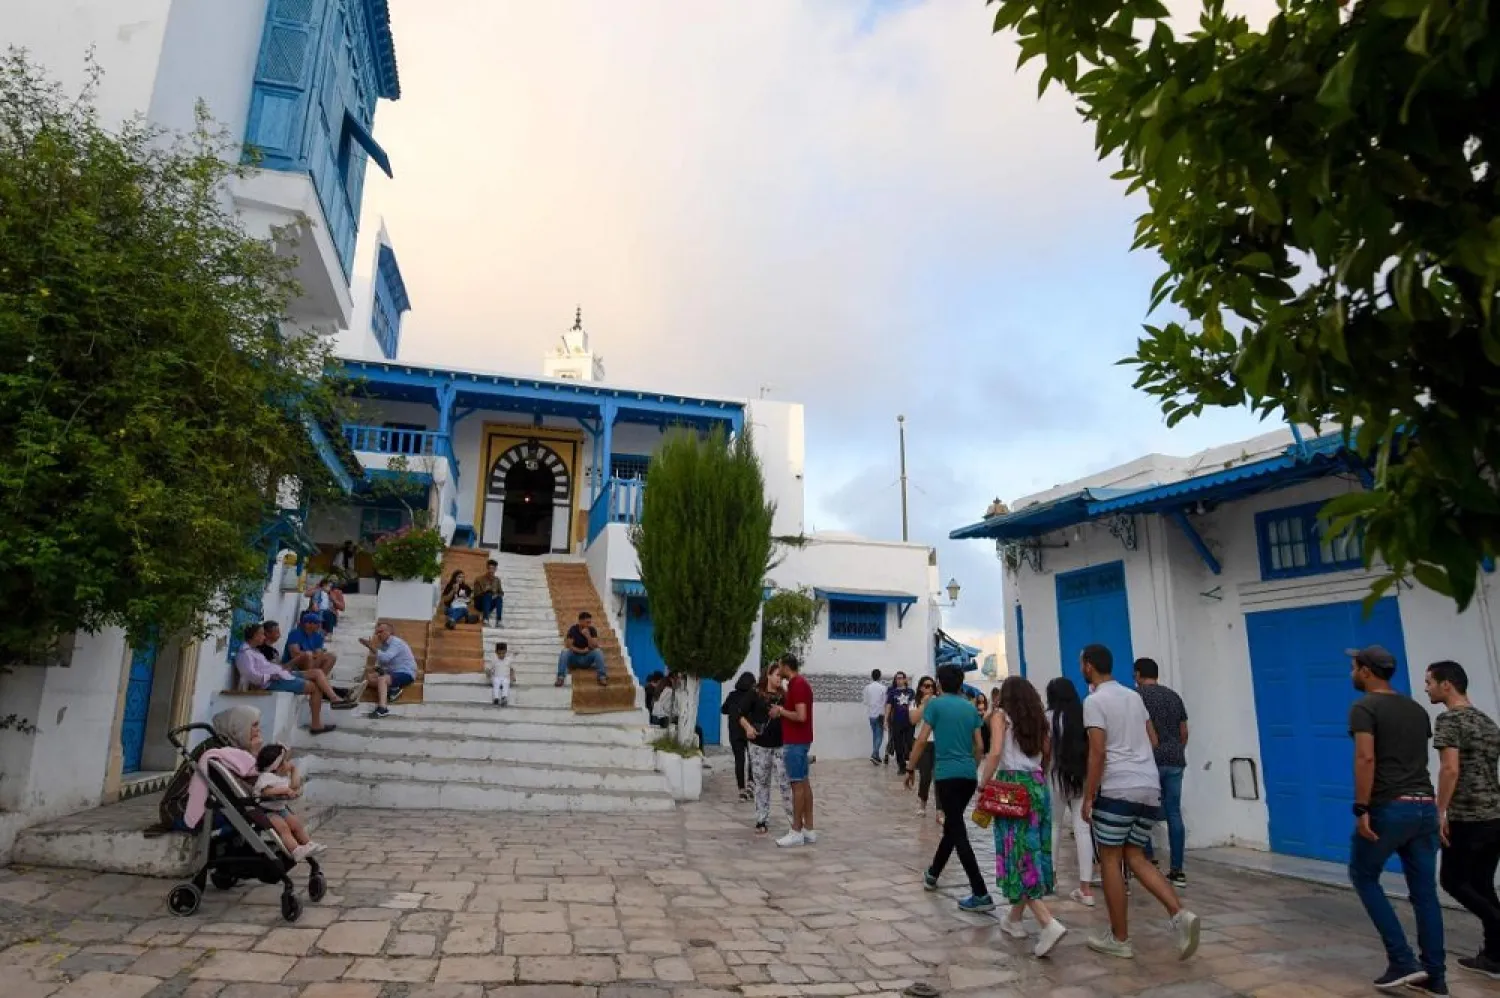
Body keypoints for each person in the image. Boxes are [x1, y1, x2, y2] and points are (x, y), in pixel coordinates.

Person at [1079, 643, 1200, 962]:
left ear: (1088, 666)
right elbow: (1154, 739)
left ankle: (1119, 938)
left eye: (1082, 663)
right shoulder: (1134, 697)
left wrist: (1089, 794)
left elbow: (1098, 751)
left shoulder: (1094, 701)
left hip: (1117, 788)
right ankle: (1179, 913)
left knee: (1109, 859)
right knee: (1136, 856)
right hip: (1148, 786)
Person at [1345, 645, 1445, 992]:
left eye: (1354, 667)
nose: (1351, 672)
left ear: (1367, 672)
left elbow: (1366, 759)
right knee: (1425, 894)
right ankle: (1436, 976)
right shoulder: (1417, 709)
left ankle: (1402, 960)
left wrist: (1361, 807)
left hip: (1390, 807)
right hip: (1424, 807)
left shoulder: (1364, 707)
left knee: (1363, 875)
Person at [983, 676, 1067, 957]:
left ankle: (1047, 922)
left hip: (1011, 787)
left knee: (1018, 853)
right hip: (1037, 785)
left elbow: (995, 752)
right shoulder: (1039, 719)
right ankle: (1014, 920)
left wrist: (984, 782)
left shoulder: (1001, 717)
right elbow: (1047, 753)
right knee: (1031, 849)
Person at [1426, 660, 1500, 981]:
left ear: (1447, 685)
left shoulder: (1448, 720)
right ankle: (1495, 957)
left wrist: (1439, 811)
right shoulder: (1487, 722)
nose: (1426, 687)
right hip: (1495, 814)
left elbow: (1450, 769)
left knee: (1453, 882)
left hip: (1468, 817)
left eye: (1429, 682)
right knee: (1482, 884)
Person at [905, 664, 993, 912]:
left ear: (941, 684)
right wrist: (972, 767)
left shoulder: (935, 705)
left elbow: (922, 739)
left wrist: (910, 768)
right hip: (967, 775)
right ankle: (933, 873)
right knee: (952, 827)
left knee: (958, 831)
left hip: (946, 776)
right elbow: (979, 747)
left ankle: (980, 892)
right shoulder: (970, 708)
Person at [1134, 657, 1190, 888]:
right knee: (1174, 812)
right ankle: (1177, 870)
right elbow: (1184, 731)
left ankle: (1148, 858)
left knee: (1142, 810)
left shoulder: (1137, 697)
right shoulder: (1174, 696)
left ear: (1138, 674)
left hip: (1150, 761)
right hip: (1175, 759)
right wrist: (1176, 750)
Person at [233, 621, 344, 734]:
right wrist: (269, 676)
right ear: (254, 636)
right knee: (314, 687)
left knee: (317, 673)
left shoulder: (254, 650)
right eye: (261, 634)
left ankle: (334, 698)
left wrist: (280, 669)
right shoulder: (245, 654)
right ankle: (316, 725)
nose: (264, 637)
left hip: (282, 674)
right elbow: (250, 675)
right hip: (271, 682)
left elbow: (265, 666)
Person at [1045, 677, 1096, 907]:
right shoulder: (1082, 715)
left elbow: (1045, 753)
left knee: (1054, 827)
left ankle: (1051, 880)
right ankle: (1085, 888)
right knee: (1083, 829)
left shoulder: (1048, 718)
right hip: (1080, 777)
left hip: (1055, 777)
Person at [182, 707, 264, 831]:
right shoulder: (218, 752)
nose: (259, 730)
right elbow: (240, 788)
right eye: (254, 725)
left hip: (211, 804)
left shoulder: (232, 747)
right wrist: (253, 753)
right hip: (182, 810)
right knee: (250, 813)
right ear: (238, 726)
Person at [741, 663, 794, 836]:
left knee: (785, 783)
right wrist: (748, 728)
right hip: (759, 745)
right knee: (761, 783)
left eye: (782, 676)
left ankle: (794, 822)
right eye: (777, 675)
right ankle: (761, 819)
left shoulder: (785, 696)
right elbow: (738, 714)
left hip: (780, 745)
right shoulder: (755, 693)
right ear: (769, 675)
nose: (780, 679)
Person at [772, 653, 816, 847]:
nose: (778, 669)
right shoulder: (800, 684)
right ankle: (809, 828)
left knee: (796, 785)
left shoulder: (797, 685)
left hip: (795, 742)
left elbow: (801, 716)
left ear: (786, 666)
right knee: (804, 783)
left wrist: (780, 711)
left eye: (779, 666)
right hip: (801, 740)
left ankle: (796, 830)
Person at [253, 743, 324, 860]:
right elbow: (266, 792)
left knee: (296, 824)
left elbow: (294, 786)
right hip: (268, 811)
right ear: (276, 766)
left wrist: (294, 769)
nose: (288, 764)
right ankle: (295, 850)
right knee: (284, 828)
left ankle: (308, 844)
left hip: (280, 809)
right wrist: (285, 790)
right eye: (285, 761)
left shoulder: (281, 777)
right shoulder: (266, 777)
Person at [359, 621, 419, 718]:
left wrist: (370, 646)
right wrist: (378, 669)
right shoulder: (383, 645)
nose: (378, 635)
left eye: (380, 632)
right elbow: (382, 664)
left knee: (382, 679)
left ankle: (383, 708)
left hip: (406, 673)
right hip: (393, 673)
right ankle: (393, 689)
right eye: (377, 632)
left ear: (389, 632)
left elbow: (386, 658)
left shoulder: (396, 642)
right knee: (369, 679)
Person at [910, 676, 940, 822]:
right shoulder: (915, 703)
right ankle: (922, 803)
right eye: (926, 686)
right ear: (921, 688)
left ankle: (940, 810)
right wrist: (924, 705)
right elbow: (913, 719)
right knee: (925, 775)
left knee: (939, 776)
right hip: (922, 742)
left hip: (938, 741)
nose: (930, 689)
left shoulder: (939, 703)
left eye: (932, 686)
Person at [723, 673, 757, 802]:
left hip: (735, 732)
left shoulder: (732, 695)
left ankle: (741, 790)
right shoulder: (752, 696)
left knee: (739, 760)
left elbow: (723, 709)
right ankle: (751, 783)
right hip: (749, 730)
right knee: (752, 758)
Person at [555, 611, 608, 687]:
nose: (589, 624)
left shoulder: (592, 630)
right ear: (580, 621)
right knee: (565, 651)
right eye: (587, 622)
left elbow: (594, 646)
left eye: (590, 622)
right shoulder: (573, 629)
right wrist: (581, 651)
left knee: (598, 652)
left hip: (587, 659)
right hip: (574, 659)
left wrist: (588, 636)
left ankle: (602, 677)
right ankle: (561, 677)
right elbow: (568, 645)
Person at [886, 673, 918, 774]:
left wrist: (916, 717)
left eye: (900, 678)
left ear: (905, 679)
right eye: (897, 678)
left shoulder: (911, 692)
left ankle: (913, 762)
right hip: (897, 722)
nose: (898, 680)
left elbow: (914, 705)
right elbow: (888, 706)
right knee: (898, 745)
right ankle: (901, 766)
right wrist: (885, 720)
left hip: (909, 722)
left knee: (910, 743)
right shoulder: (892, 692)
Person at [862, 669, 887, 765]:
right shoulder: (883, 688)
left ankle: (876, 756)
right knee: (879, 736)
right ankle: (874, 754)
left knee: (875, 735)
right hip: (880, 714)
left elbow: (865, 701)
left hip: (871, 714)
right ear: (880, 676)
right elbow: (885, 702)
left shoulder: (867, 688)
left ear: (872, 676)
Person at [474, 560, 505, 626]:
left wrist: (496, 595)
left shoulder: (497, 580)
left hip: (490, 603)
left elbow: (501, 593)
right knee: (487, 595)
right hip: (480, 603)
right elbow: (476, 594)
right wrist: (485, 591)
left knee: (499, 598)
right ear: (487, 568)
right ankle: (485, 619)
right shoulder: (479, 579)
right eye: (490, 568)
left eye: (493, 568)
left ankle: (499, 620)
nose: (491, 570)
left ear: (496, 569)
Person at [486, 641, 515, 707]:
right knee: (496, 685)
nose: (501, 655)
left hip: (505, 677)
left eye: (503, 653)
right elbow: (488, 668)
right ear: (496, 652)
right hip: (497, 676)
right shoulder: (494, 660)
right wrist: (488, 673)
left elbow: (512, 669)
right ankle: (496, 698)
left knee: (506, 684)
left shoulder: (508, 660)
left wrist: (513, 676)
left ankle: (504, 697)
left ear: (506, 652)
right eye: (499, 653)